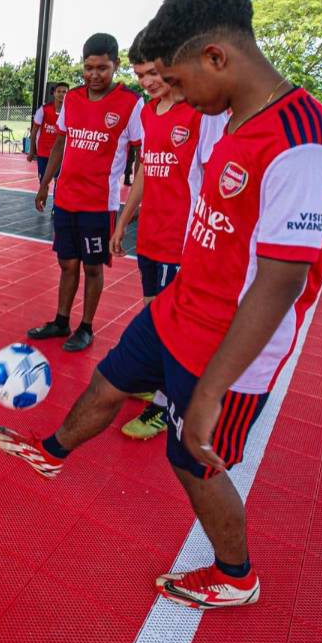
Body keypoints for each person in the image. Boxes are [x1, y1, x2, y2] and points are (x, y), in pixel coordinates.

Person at [0, 0, 322, 611]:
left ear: (215, 57)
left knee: (193, 462)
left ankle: (236, 574)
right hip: (179, 308)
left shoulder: (301, 140)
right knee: (107, 382)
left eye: (177, 81)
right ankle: (52, 453)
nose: (172, 95)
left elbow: (282, 279)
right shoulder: (230, 115)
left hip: (229, 347)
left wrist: (211, 389)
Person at [112, 31, 228, 440]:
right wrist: (126, 218)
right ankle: (157, 381)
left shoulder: (202, 114)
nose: (147, 81)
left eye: (154, 72)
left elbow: (214, 179)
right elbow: (146, 167)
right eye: (140, 74)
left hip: (183, 238)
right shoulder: (147, 112)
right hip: (152, 234)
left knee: (171, 321)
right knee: (154, 312)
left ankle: (166, 403)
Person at [27, 33, 143, 352]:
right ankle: (61, 320)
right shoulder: (74, 99)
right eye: (88, 67)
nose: (94, 75)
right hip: (66, 200)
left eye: (102, 68)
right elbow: (61, 143)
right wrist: (44, 184)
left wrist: (140, 200)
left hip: (98, 205)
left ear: (116, 65)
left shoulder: (131, 104)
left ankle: (86, 326)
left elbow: (143, 152)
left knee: (92, 267)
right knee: (67, 263)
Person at [29, 82, 69, 183]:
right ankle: (43, 199)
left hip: (61, 153)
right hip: (43, 152)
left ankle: (56, 199)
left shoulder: (71, 111)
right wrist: (31, 151)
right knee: (43, 181)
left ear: (68, 94)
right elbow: (34, 131)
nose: (61, 94)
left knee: (59, 181)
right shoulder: (43, 110)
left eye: (64, 92)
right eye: (59, 91)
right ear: (54, 93)